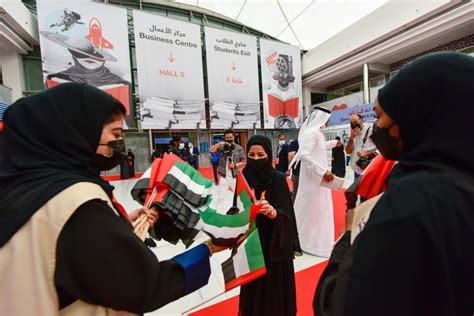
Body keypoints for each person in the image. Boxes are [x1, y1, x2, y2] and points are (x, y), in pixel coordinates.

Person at [0, 83, 225, 314]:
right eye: (115, 135)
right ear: (78, 131)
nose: (118, 145)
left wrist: (119, 223)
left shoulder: (27, 186)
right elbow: (143, 285)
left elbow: (67, 246)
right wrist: (206, 249)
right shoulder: (76, 202)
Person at [314, 52, 474, 316]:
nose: (378, 127)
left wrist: (348, 241)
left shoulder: (413, 202)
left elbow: (335, 305)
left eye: (380, 116)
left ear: (416, 116)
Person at [240, 135, 301, 316]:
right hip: (252, 241)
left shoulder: (278, 179)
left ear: (269, 154)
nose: (256, 159)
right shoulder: (243, 178)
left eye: (261, 154)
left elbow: (287, 215)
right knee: (253, 288)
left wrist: (273, 212)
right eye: (251, 155)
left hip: (274, 243)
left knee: (273, 290)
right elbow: (236, 207)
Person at [291, 106, 337, 257]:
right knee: (312, 209)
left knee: (315, 210)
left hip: (317, 180)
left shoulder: (316, 133)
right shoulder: (313, 133)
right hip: (314, 180)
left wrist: (334, 143)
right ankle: (306, 241)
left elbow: (320, 148)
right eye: (327, 119)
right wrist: (322, 171)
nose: (327, 122)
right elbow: (304, 154)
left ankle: (306, 239)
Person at [345, 114, 377, 179]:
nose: (353, 124)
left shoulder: (371, 130)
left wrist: (367, 153)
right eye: (351, 123)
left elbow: (381, 149)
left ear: (361, 120)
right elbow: (348, 151)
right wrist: (351, 138)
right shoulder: (351, 132)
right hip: (356, 170)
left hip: (369, 170)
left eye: (355, 122)